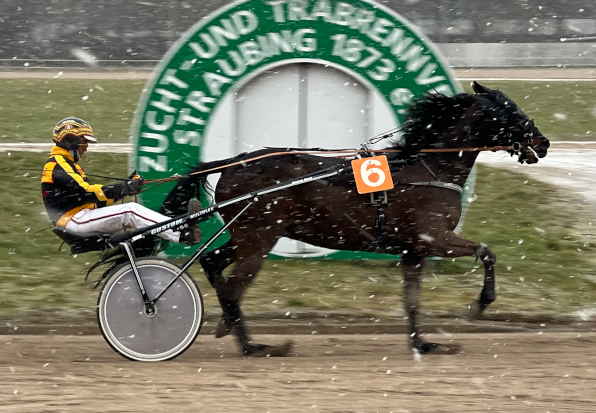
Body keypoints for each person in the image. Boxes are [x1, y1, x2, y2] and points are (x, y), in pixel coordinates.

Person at [41, 117, 201, 245]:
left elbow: (95, 199)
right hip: (73, 220)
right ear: (69, 141)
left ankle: (178, 228)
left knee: (131, 210)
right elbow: (87, 192)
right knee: (130, 211)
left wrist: (127, 189)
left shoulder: (65, 163)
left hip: (78, 217)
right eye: (83, 142)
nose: (85, 148)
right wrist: (124, 188)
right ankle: (181, 232)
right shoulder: (58, 163)